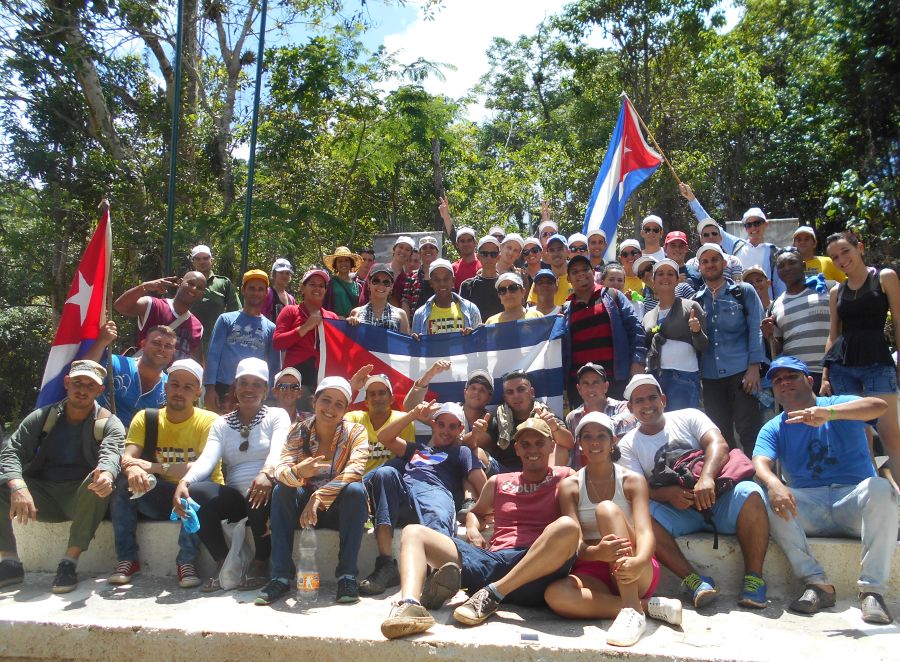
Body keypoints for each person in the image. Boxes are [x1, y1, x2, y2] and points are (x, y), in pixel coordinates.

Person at [380, 417, 579, 639]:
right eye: (525, 444)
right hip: (493, 562)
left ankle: (492, 594)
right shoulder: (499, 481)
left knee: (568, 526)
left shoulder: (566, 476)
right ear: (517, 449)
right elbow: (475, 512)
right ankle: (409, 605)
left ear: (552, 446)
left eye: (539, 443)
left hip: (538, 568)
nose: (532, 449)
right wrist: (473, 529)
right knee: (413, 531)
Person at [753, 356, 895, 624]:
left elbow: (879, 406)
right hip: (810, 506)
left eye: (791, 377)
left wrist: (829, 414)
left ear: (809, 381)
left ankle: (872, 592)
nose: (784, 383)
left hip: (853, 500)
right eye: (777, 381)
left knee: (880, 487)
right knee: (762, 497)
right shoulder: (774, 426)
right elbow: (760, 462)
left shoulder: (839, 403)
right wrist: (774, 483)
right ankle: (817, 585)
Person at [617, 374, 770, 610]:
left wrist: (707, 477)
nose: (647, 405)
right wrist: (667, 495)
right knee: (637, 515)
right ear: (630, 407)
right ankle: (694, 581)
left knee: (750, 491)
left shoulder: (689, 415)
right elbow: (636, 488)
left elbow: (718, 445)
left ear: (664, 399)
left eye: (652, 397)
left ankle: (754, 579)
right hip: (678, 511)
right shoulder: (627, 444)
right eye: (639, 401)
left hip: (717, 499)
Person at [545, 412, 682, 647]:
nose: (594, 442)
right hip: (594, 567)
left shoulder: (632, 480)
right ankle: (645, 607)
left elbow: (645, 532)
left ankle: (631, 608)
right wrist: (598, 552)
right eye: (587, 437)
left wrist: (639, 560)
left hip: (635, 562)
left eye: (601, 436)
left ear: (613, 441)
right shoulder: (569, 486)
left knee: (606, 510)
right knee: (555, 595)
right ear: (580, 444)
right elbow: (575, 543)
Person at [0, 360, 125, 594]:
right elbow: (12, 451)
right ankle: (9, 562)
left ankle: (69, 562)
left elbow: (112, 453)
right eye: (78, 383)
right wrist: (18, 486)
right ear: (67, 383)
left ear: (100, 391)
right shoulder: (43, 417)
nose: (82, 390)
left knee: (97, 481)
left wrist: (107, 474)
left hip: (81, 498)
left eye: (90, 386)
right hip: (42, 497)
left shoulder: (109, 423)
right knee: (3, 483)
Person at [175, 358, 291, 592]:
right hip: (236, 499)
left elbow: (279, 450)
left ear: (266, 390)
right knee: (195, 492)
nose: (249, 389)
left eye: (257, 384)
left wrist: (267, 473)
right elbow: (207, 459)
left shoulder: (277, 416)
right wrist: (184, 481)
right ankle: (226, 564)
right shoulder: (222, 424)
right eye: (244, 383)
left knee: (258, 492)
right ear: (235, 387)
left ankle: (260, 564)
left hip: (267, 491)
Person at [255, 376, 369, 606]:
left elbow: (356, 470)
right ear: (314, 401)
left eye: (339, 404)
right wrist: (298, 472)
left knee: (356, 491)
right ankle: (280, 576)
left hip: (339, 509)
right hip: (304, 511)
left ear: (346, 409)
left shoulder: (356, 432)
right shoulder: (298, 431)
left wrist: (320, 495)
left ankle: (347, 576)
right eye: (326, 400)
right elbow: (281, 470)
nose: (331, 409)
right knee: (282, 490)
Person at [107, 359, 219, 589]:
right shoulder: (146, 418)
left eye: (188, 387)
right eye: (175, 384)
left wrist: (154, 467)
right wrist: (135, 467)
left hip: (199, 496)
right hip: (158, 493)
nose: (179, 392)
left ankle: (186, 561)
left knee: (194, 488)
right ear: (166, 387)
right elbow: (127, 458)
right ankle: (127, 559)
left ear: (198, 392)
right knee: (122, 483)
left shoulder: (210, 422)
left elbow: (201, 468)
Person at [362, 401, 487, 596]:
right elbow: (384, 437)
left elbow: (482, 483)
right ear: (433, 424)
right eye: (441, 424)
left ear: (460, 429)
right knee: (385, 472)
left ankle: (439, 575)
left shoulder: (461, 452)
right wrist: (413, 414)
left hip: (436, 493)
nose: (445, 430)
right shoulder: (416, 449)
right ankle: (386, 564)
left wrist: (482, 515)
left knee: (436, 507)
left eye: (452, 426)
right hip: (407, 496)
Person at [822, 231, 900, 487]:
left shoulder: (885, 278)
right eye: (835, 257)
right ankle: (871, 495)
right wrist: (825, 374)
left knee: (890, 435)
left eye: (846, 251)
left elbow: (898, 323)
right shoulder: (837, 291)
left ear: (860, 248)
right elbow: (833, 335)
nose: (842, 259)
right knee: (859, 435)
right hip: (843, 368)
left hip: (878, 360)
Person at [693, 243, 766, 452]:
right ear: (699, 267)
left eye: (714, 260)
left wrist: (754, 366)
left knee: (749, 429)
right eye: (704, 261)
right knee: (721, 433)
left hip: (741, 372)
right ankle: (733, 480)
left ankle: (758, 478)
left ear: (724, 263)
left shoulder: (743, 291)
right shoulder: (695, 301)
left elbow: (756, 329)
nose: (710, 265)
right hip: (709, 377)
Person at [677, 184, 785, 298]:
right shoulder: (738, 246)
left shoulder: (774, 252)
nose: (753, 228)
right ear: (745, 227)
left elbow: (780, 284)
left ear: (766, 224)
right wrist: (692, 200)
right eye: (749, 224)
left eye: (757, 223)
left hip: (768, 309)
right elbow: (709, 223)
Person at [564, 253, 646, 402]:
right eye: (575, 272)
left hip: (615, 380)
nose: (581, 273)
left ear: (593, 273)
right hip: (580, 386)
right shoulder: (566, 309)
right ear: (569, 279)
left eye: (585, 269)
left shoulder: (613, 295)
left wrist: (638, 361)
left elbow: (635, 330)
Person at [204, 269, 281, 414]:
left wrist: (270, 396)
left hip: (251, 391)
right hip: (223, 388)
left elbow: (274, 364)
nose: (256, 293)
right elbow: (213, 355)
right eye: (251, 288)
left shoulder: (270, 328)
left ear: (266, 293)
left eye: (260, 289)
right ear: (243, 290)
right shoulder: (226, 320)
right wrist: (209, 388)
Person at [471, 370, 572, 474]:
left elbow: (569, 443)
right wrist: (474, 435)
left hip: (541, 476)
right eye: (510, 392)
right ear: (505, 398)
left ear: (532, 392)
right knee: (476, 453)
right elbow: (470, 445)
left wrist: (554, 428)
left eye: (521, 389)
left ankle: (544, 487)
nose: (516, 395)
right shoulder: (499, 419)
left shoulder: (545, 414)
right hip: (507, 478)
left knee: (560, 449)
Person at [762, 249, 832, 392]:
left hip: (832, 374)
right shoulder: (775, 306)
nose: (787, 268)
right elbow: (778, 349)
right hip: (796, 376)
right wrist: (768, 335)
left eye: (792, 263)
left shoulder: (828, 288)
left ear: (804, 266)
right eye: (781, 266)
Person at [643, 259, 707, 411]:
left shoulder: (691, 306)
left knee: (682, 428)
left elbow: (703, 346)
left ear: (678, 280)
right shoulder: (648, 315)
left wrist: (697, 331)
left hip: (684, 377)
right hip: (655, 377)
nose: (665, 277)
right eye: (660, 274)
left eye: (671, 274)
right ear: (653, 279)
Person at [83, 321, 174, 429]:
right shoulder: (115, 364)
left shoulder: (171, 387)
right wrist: (101, 341)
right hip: (98, 440)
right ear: (143, 344)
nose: (162, 349)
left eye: (168, 346)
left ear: (173, 351)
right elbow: (82, 373)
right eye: (156, 343)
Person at [113, 270, 207, 361]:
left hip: (172, 377)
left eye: (199, 288)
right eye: (190, 283)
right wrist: (144, 287)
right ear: (180, 282)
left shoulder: (197, 327)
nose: (193, 288)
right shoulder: (153, 305)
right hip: (141, 374)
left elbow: (192, 362)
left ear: (202, 295)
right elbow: (120, 306)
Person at [273, 268, 339, 395]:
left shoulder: (332, 317)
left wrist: (353, 323)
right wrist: (305, 327)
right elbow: (277, 342)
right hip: (294, 382)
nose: (317, 288)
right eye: (312, 284)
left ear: (325, 290)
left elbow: (339, 350)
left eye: (321, 286)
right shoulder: (290, 311)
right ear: (302, 288)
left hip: (322, 381)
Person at [564, 363, 637, 469]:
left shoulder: (622, 407)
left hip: (618, 474)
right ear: (579, 389)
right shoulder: (572, 417)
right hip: (583, 477)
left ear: (606, 386)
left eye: (595, 383)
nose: (590, 388)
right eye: (585, 383)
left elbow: (631, 421)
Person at [346, 373, 416, 476]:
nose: (377, 398)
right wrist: (351, 388)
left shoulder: (403, 420)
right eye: (372, 394)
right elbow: (333, 422)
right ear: (366, 401)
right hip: (357, 483)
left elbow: (408, 458)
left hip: (388, 480)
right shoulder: (354, 418)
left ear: (392, 399)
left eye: (382, 393)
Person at [189, 245, 240, 357]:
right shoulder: (186, 284)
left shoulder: (223, 283)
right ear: (193, 262)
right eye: (198, 259)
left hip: (217, 342)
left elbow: (236, 312)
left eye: (206, 258)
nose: (202, 261)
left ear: (212, 260)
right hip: (189, 342)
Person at [411, 259, 482, 338]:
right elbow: (416, 348)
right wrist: (416, 342)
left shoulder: (471, 310)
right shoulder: (420, 314)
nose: (442, 284)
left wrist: (473, 337)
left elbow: (481, 344)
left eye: (446, 279)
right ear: (431, 283)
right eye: (437, 280)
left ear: (453, 281)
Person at [347, 263, 410, 334]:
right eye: (376, 281)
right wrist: (349, 325)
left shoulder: (401, 315)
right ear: (369, 283)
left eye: (386, 282)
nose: (381, 285)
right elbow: (348, 341)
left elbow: (405, 343)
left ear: (391, 286)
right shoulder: (356, 313)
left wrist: (416, 341)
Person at [437, 197, 481, 290]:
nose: (466, 244)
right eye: (462, 241)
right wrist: (445, 216)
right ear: (457, 244)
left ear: (475, 243)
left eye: (469, 240)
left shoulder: (485, 262)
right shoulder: (453, 268)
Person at [685, 217, 744, 282]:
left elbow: (738, 285)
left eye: (714, 234)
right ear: (701, 240)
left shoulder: (733, 261)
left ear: (721, 238)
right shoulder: (691, 263)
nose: (711, 237)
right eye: (706, 235)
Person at [460, 236, 503, 321]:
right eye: (484, 254)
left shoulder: (506, 284)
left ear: (499, 256)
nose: (489, 258)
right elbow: (463, 316)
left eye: (493, 254)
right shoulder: (467, 286)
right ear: (478, 255)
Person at [527, 234, 572, 307]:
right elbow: (533, 310)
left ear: (568, 252)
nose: (556, 253)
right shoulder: (540, 279)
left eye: (560, 249)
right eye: (551, 250)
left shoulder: (576, 278)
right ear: (547, 254)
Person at [401, 236, 439, 318]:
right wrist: (407, 326)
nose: (428, 250)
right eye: (424, 247)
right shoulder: (411, 277)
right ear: (420, 253)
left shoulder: (446, 275)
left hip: (441, 322)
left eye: (432, 247)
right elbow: (405, 302)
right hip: (417, 325)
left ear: (437, 252)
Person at [323, 246, 362, 318]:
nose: (343, 263)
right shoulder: (330, 284)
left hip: (353, 326)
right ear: (335, 265)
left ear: (351, 263)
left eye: (346, 260)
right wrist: (335, 317)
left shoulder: (358, 286)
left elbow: (362, 308)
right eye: (340, 261)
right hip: (335, 324)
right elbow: (324, 306)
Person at [263, 258, 296, 324]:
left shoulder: (291, 299)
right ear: (274, 274)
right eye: (281, 272)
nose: (284, 276)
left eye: (287, 273)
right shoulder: (267, 293)